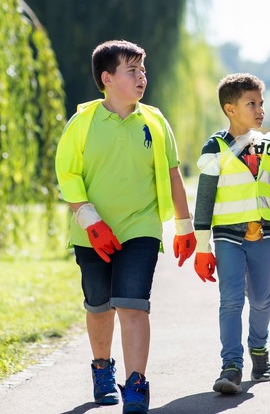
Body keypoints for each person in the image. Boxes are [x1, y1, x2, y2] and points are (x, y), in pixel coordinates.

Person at [55, 39, 196, 414]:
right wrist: (89, 220)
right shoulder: (82, 122)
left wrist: (184, 225)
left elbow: (172, 174)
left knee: (133, 305)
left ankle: (136, 383)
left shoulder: (155, 121)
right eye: (132, 70)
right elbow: (66, 174)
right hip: (92, 231)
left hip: (140, 228)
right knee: (99, 306)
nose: (142, 77)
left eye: (143, 70)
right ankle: (103, 369)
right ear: (107, 78)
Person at [192, 73, 270, 395]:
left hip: (264, 237)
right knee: (231, 300)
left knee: (262, 300)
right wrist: (202, 247)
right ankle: (231, 365)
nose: (260, 110)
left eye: (261, 103)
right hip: (227, 237)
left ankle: (259, 350)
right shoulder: (215, 147)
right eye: (252, 104)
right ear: (230, 109)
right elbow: (204, 199)